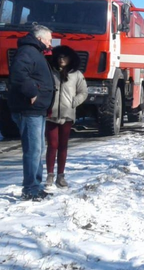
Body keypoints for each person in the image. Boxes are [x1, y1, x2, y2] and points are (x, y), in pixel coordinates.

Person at [8, 25, 55, 201]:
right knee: (33, 150)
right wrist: (32, 92)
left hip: (37, 110)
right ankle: (30, 189)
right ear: (40, 38)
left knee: (39, 149)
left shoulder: (35, 52)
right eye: (49, 40)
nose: (50, 44)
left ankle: (36, 185)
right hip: (28, 109)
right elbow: (18, 74)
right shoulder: (27, 51)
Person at [45, 45, 87, 188]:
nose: (61, 59)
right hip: (51, 114)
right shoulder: (50, 72)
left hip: (67, 115)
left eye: (65, 57)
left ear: (71, 58)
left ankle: (60, 176)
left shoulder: (76, 74)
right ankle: (50, 175)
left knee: (63, 146)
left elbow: (83, 92)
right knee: (52, 145)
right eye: (59, 56)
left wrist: (73, 103)